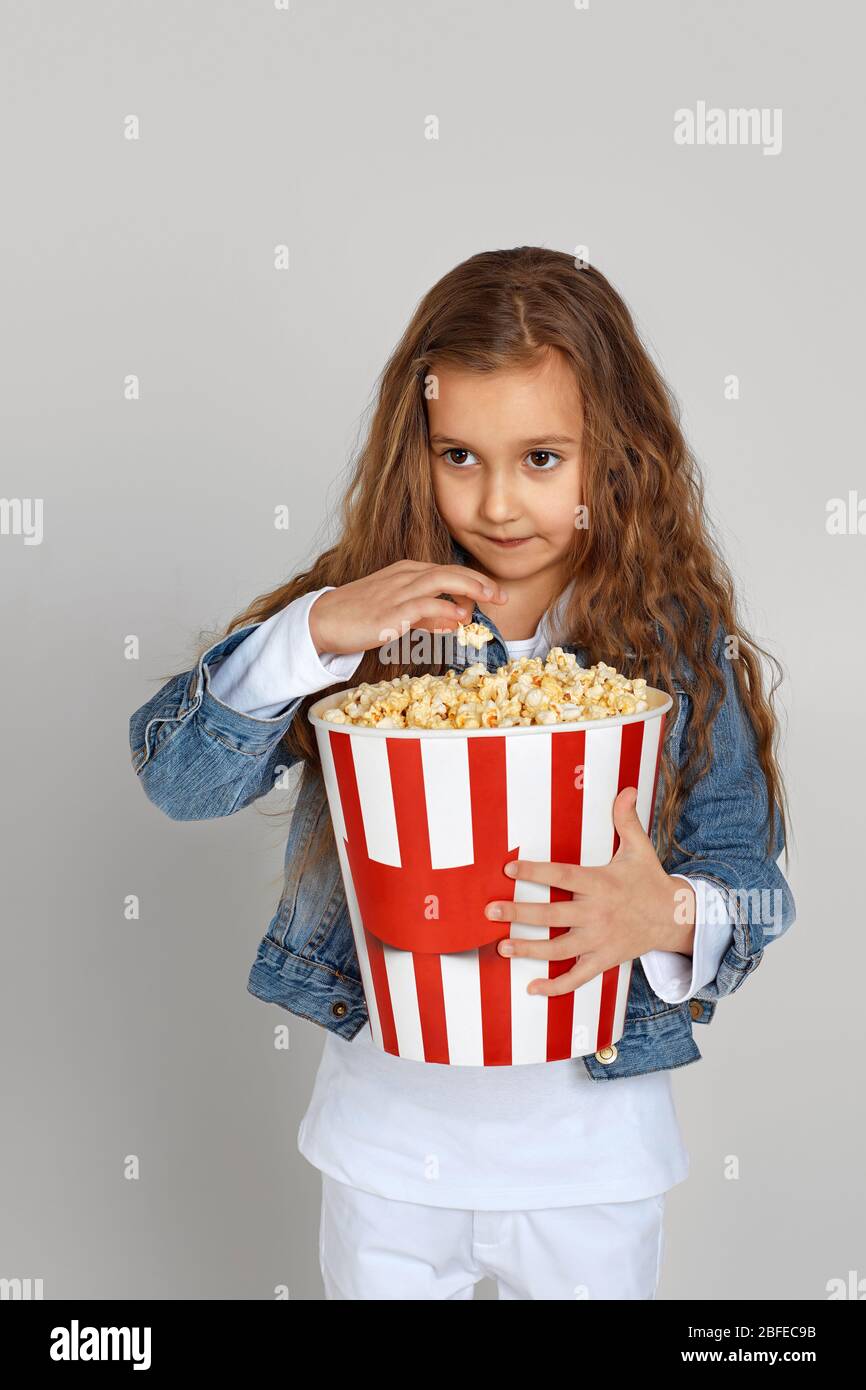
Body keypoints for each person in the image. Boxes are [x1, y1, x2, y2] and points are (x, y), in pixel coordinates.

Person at [128, 247, 796, 1300]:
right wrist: (312, 632)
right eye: (458, 456)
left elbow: (749, 885)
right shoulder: (364, 621)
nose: (494, 503)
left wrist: (659, 911)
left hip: (591, 1153)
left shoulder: (667, 644)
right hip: (386, 1145)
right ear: (416, 451)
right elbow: (176, 779)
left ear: (611, 457)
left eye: (541, 458)